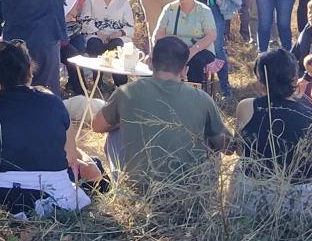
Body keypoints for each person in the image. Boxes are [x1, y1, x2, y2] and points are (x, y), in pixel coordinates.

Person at [91, 35, 231, 192]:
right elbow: (226, 146)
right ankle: (207, 191)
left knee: (114, 133)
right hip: (189, 191)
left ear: (150, 63)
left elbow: (97, 126)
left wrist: (126, 119)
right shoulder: (202, 98)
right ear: (185, 70)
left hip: (138, 190)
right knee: (212, 138)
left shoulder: (125, 92)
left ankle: (122, 187)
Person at [0, 40, 101, 208]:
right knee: (94, 164)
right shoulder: (55, 103)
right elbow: (70, 157)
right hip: (53, 195)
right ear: (30, 72)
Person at [232, 49, 312, 218]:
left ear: (260, 79)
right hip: (307, 202)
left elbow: (241, 151)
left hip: (257, 198)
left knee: (238, 168)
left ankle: (233, 215)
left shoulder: (246, 106)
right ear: (294, 78)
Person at [72, 0, 138, 49]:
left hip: (118, 37)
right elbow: (84, 22)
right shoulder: (89, 0)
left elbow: (130, 27)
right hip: (95, 35)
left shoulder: (124, 2)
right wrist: (98, 33)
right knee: (94, 45)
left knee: (116, 45)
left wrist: (120, 33)